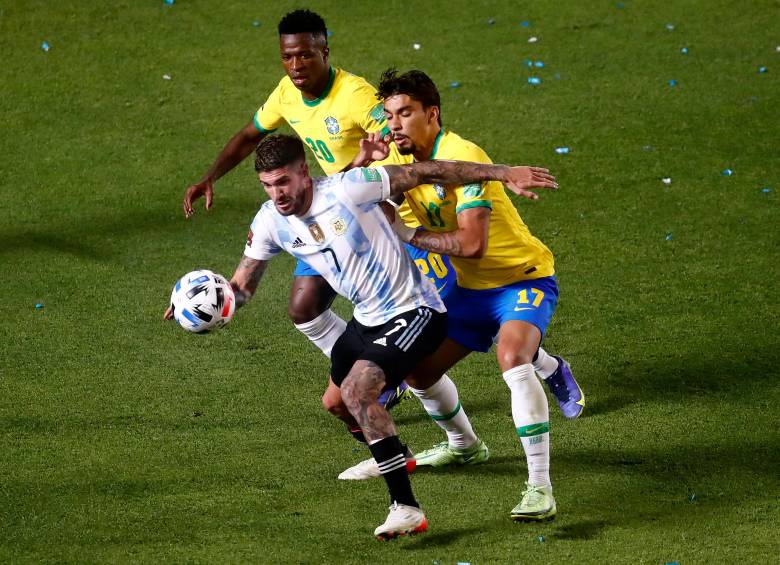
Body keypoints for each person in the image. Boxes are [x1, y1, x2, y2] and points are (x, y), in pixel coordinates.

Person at [207, 133, 556, 539]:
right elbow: (242, 286)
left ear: (304, 172)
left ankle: (406, 507)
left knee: (358, 391)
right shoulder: (269, 221)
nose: (277, 193)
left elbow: (428, 170)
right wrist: (205, 303)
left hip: (416, 310)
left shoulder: (350, 189)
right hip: (368, 319)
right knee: (336, 403)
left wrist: (502, 172)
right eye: (268, 185)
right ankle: (396, 452)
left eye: (283, 181)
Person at [180, 9, 454, 411]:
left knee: (453, 325)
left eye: (305, 55)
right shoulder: (286, 94)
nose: (296, 66)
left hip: (379, 214)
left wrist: (380, 163)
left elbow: (397, 138)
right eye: (288, 57)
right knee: (303, 308)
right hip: (326, 212)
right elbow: (249, 135)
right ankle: (378, 378)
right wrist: (210, 177)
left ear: (325, 50)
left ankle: (535, 363)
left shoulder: (356, 96)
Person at [346, 69, 585, 522]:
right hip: (468, 291)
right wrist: (362, 166)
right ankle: (465, 446)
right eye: (389, 115)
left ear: (431, 114)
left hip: (522, 280)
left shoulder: (462, 156)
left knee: (512, 358)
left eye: (405, 113)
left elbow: (472, 244)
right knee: (417, 373)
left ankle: (540, 488)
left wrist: (408, 233)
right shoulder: (396, 164)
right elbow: (345, 202)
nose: (394, 124)